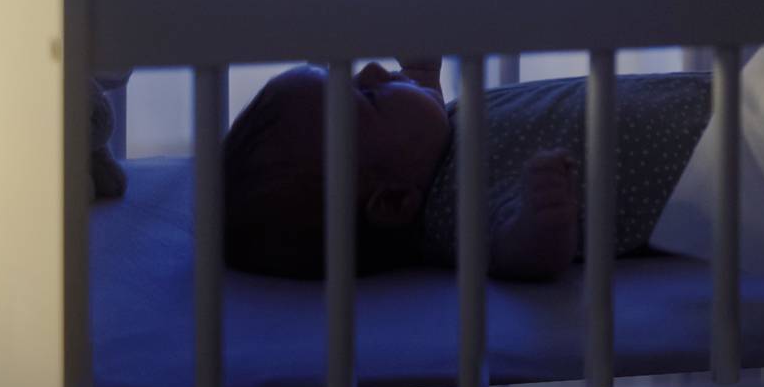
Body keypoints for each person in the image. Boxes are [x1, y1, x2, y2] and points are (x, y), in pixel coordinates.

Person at [220, 58, 711, 281]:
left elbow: (421, 113)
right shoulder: (453, 211)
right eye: (367, 98)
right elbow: (516, 252)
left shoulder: (431, 146)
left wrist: (419, 75)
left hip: (699, 102)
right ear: (393, 201)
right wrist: (541, 219)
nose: (371, 70)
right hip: (712, 171)